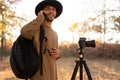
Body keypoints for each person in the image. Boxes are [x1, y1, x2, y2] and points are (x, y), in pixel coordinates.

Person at [20, 0, 63, 80]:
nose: (51, 11)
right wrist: (38, 19)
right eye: (48, 9)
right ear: (42, 12)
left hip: (53, 75)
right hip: (39, 76)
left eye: (53, 9)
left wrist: (59, 54)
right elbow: (24, 31)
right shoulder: (36, 30)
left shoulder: (55, 33)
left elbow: (54, 53)